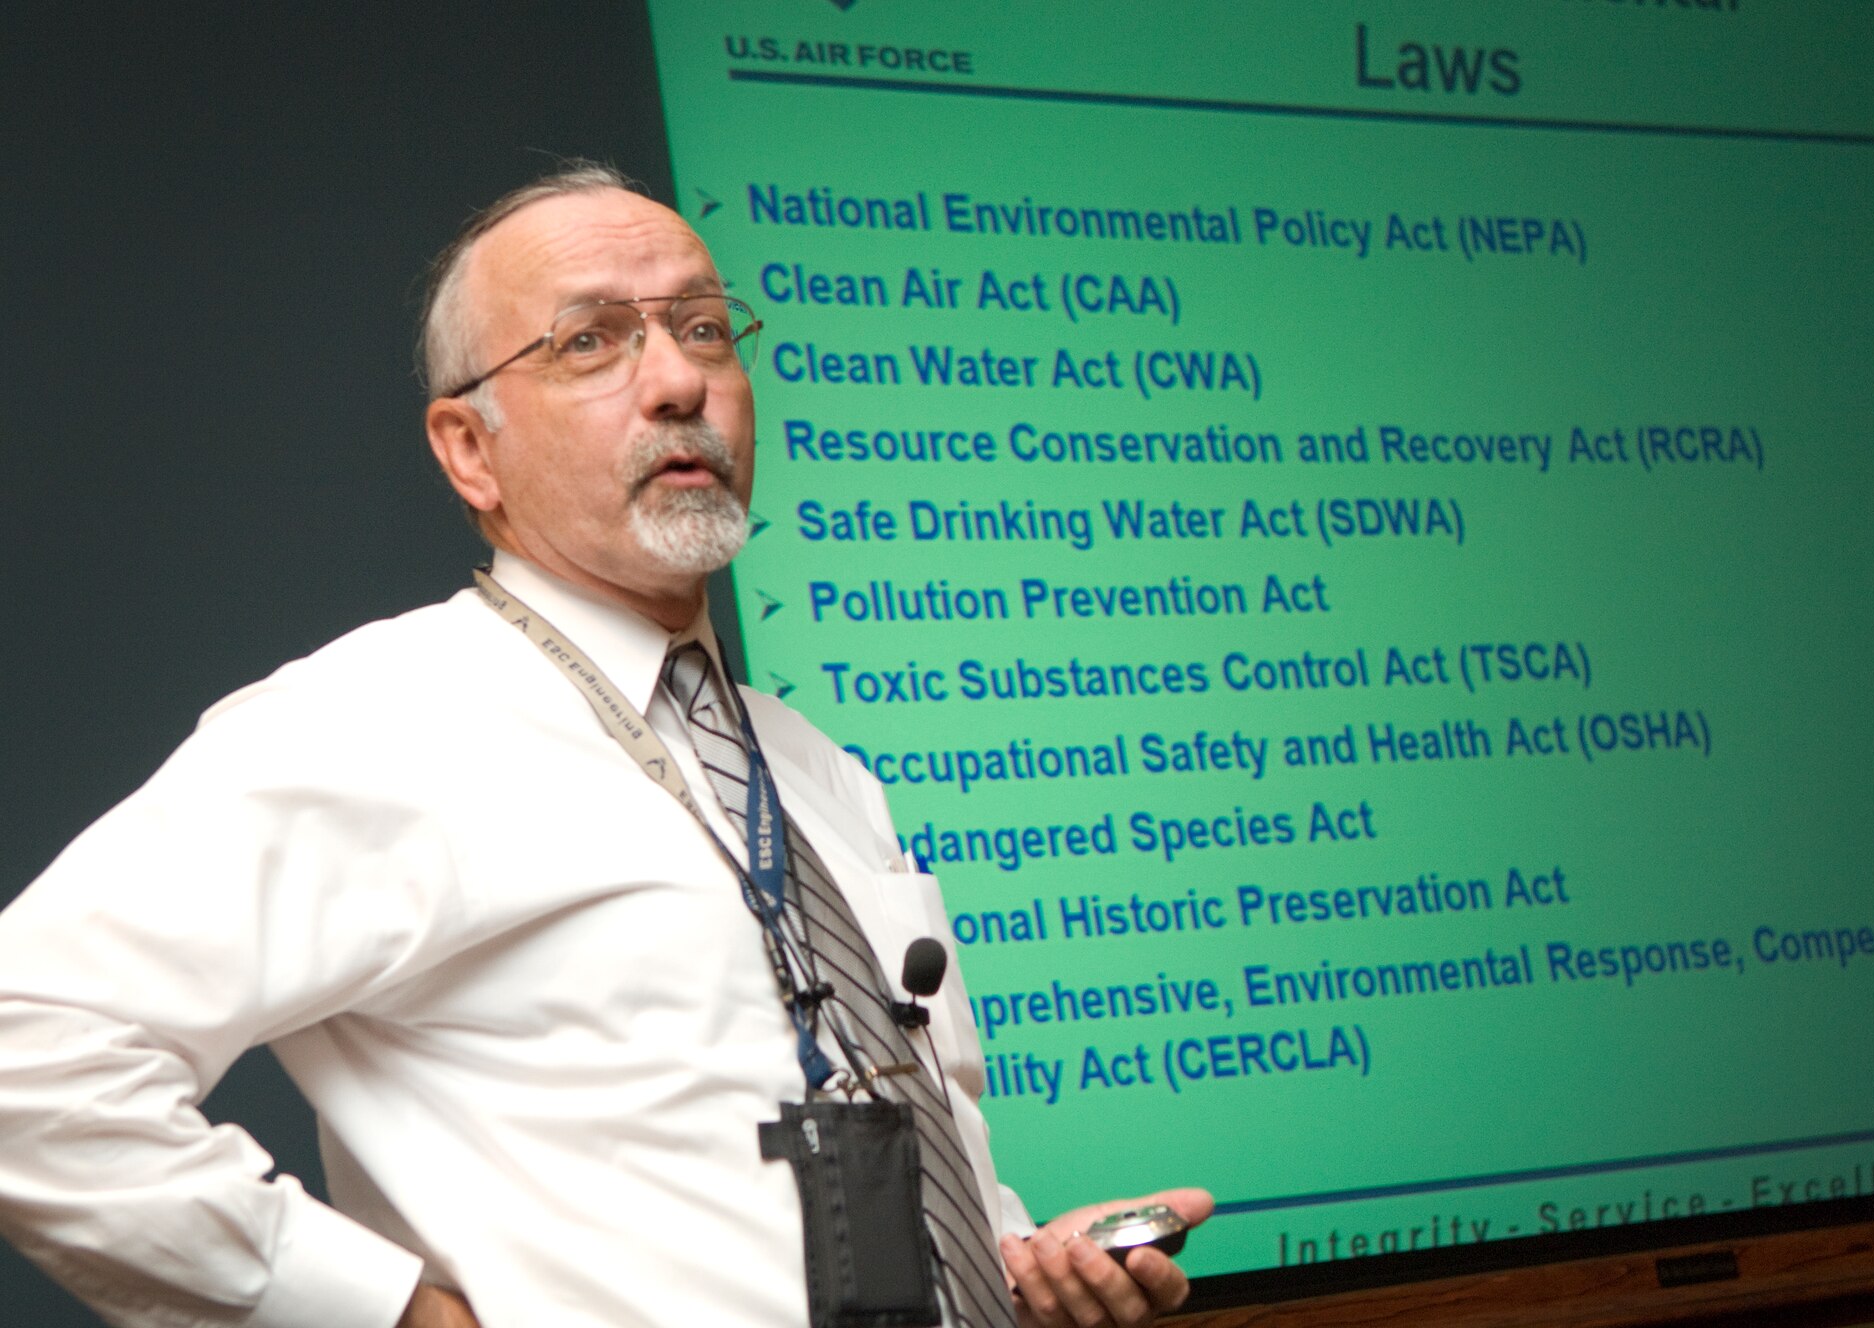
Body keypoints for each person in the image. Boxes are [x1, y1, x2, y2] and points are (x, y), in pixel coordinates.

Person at [0, 164, 1209, 1328]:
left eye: (704, 327)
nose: (678, 379)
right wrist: (378, 1310)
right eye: (591, 340)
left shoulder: (812, 766)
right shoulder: (379, 718)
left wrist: (1019, 1269)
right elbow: (26, 1051)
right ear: (469, 449)